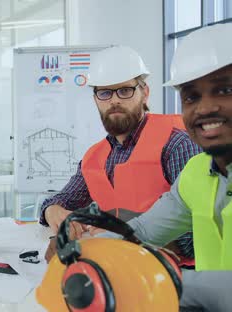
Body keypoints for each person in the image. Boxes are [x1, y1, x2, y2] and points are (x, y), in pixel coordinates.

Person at [39, 46, 201, 258]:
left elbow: (198, 234)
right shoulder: (94, 157)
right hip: (118, 265)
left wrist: (118, 237)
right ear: (96, 99)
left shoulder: (177, 144)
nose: (114, 100)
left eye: (125, 91)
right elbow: (63, 199)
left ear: (145, 93)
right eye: (104, 93)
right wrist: (53, 211)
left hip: (176, 276)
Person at [115, 23, 232, 311]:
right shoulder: (197, 172)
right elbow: (143, 229)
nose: (204, 109)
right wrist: (90, 251)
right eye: (191, 96)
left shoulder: (175, 146)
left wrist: (151, 281)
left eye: (225, 90)